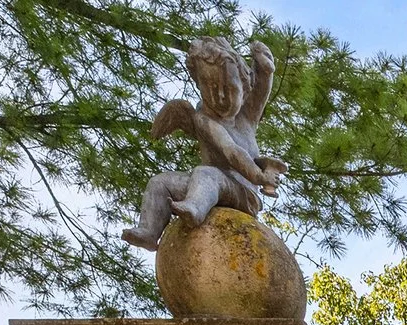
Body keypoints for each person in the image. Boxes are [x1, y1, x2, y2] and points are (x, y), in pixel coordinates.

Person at [123, 38, 287, 250]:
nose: (220, 96)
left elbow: (260, 94)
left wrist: (266, 70)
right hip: (207, 186)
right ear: (199, 86)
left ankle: (195, 208)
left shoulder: (247, 117)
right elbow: (231, 151)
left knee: (206, 174)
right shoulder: (204, 120)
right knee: (160, 182)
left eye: (229, 88)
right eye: (210, 88)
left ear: (244, 89)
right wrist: (259, 174)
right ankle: (149, 231)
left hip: (243, 192)